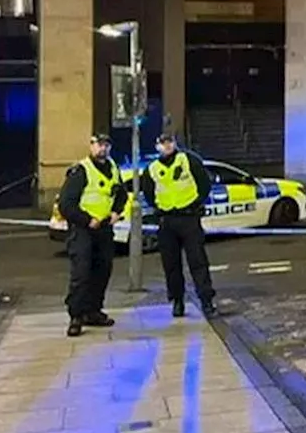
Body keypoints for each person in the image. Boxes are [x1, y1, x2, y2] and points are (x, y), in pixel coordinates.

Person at [140, 134, 219, 318]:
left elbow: (204, 184)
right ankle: (177, 301)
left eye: (170, 142)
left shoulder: (188, 160)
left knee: (198, 262)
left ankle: (206, 301)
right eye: (163, 143)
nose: (167, 146)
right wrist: (159, 208)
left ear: (174, 144)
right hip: (167, 221)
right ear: (157, 146)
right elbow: (149, 194)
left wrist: (196, 204)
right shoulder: (152, 169)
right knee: (171, 265)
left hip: (189, 219)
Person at [57, 134, 128, 337]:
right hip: (83, 230)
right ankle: (76, 317)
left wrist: (116, 211)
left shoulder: (113, 168)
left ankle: (93, 311)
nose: (102, 149)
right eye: (99, 145)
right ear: (91, 146)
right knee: (81, 274)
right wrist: (87, 219)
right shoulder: (81, 171)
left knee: (102, 271)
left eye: (106, 145)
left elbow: (120, 193)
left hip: (104, 229)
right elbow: (66, 204)